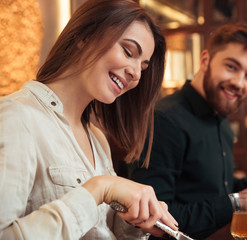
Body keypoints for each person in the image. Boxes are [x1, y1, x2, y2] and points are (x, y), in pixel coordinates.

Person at [0, 0, 178, 239]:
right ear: (85, 36)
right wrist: (98, 189)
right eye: (128, 52)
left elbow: (102, 232)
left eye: (143, 67)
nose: (136, 73)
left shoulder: (96, 137)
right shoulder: (17, 117)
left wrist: (137, 221)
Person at [129, 23, 247, 239]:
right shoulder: (164, 120)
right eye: (231, 67)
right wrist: (238, 203)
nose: (239, 83)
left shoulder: (220, 116)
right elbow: (155, 220)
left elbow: (217, 188)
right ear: (205, 61)